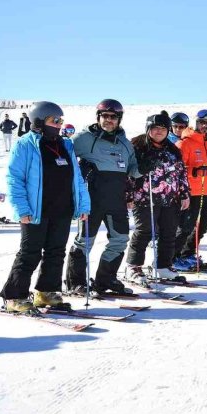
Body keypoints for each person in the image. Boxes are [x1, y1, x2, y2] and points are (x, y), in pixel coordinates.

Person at [0, 102, 90, 312]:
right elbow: (14, 179)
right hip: (36, 210)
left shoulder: (66, 145)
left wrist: (83, 205)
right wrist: (21, 209)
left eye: (60, 120)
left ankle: (47, 292)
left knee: (56, 252)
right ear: (39, 121)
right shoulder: (25, 144)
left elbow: (77, 178)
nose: (59, 124)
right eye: (54, 120)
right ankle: (14, 297)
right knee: (30, 253)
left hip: (63, 208)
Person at [65, 99, 140, 295]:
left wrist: (144, 167)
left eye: (113, 117)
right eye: (105, 116)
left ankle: (106, 279)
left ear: (119, 119)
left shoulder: (125, 143)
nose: (109, 120)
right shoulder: (84, 138)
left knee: (120, 240)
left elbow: (133, 169)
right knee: (84, 241)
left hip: (116, 200)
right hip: (92, 200)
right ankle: (75, 283)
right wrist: (79, 169)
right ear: (98, 117)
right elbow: (63, 157)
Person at [124, 111, 191, 282]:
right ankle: (133, 266)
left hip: (170, 198)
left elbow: (181, 172)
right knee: (144, 231)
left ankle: (163, 266)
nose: (159, 131)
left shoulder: (173, 149)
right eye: (155, 128)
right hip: (144, 198)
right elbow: (128, 173)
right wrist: (128, 195)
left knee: (169, 232)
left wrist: (184, 193)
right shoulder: (137, 146)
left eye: (163, 128)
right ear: (148, 128)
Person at [173, 109, 207, 269]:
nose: (205, 126)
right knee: (186, 227)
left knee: (203, 226)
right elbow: (175, 170)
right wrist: (194, 171)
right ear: (196, 123)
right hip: (190, 193)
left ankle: (187, 254)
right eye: (202, 123)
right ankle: (172, 257)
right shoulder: (184, 143)